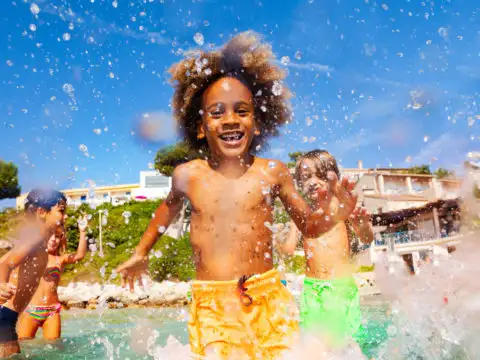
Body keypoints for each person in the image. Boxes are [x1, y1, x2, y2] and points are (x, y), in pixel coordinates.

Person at [117, 32, 358, 359]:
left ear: (257, 123)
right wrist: (141, 251)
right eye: (217, 113)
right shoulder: (188, 175)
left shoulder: (272, 171)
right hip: (214, 302)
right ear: (200, 126)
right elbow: (166, 211)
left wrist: (334, 215)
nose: (230, 119)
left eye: (241, 111)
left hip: (269, 296)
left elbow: (309, 226)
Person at [280, 150, 374, 349]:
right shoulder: (302, 214)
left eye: (320, 176)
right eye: (306, 177)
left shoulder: (341, 207)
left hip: (340, 288)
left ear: (334, 178)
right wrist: (275, 238)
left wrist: (363, 224)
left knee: (350, 345)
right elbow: (288, 249)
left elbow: (366, 238)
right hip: (312, 291)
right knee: (315, 347)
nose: (313, 182)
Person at [0, 189, 66, 358]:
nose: (64, 217)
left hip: (8, 316)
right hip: (4, 316)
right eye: (61, 211)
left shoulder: (40, 240)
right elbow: (6, 263)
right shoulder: (36, 239)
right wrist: (1, 284)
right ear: (42, 212)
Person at [16, 215, 88, 340]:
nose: (53, 239)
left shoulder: (61, 259)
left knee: (54, 347)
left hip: (52, 312)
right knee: (24, 346)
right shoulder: (32, 257)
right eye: (50, 236)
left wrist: (82, 231)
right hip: (31, 310)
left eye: (57, 237)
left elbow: (79, 255)